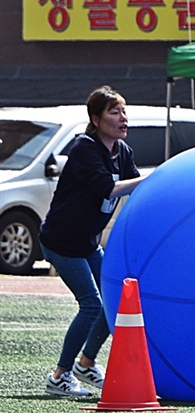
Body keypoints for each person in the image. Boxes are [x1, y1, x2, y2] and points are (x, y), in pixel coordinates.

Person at [38, 86, 147, 397]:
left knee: (112, 300)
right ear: (96, 120)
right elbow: (107, 188)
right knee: (92, 305)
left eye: (124, 111)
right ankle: (59, 375)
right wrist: (152, 177)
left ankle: (86, 364)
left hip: (87, 243)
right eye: (115, 112)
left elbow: (134, 188)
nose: (123, 118)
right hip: (61, 242)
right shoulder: (84, 147)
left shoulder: (123, 152)